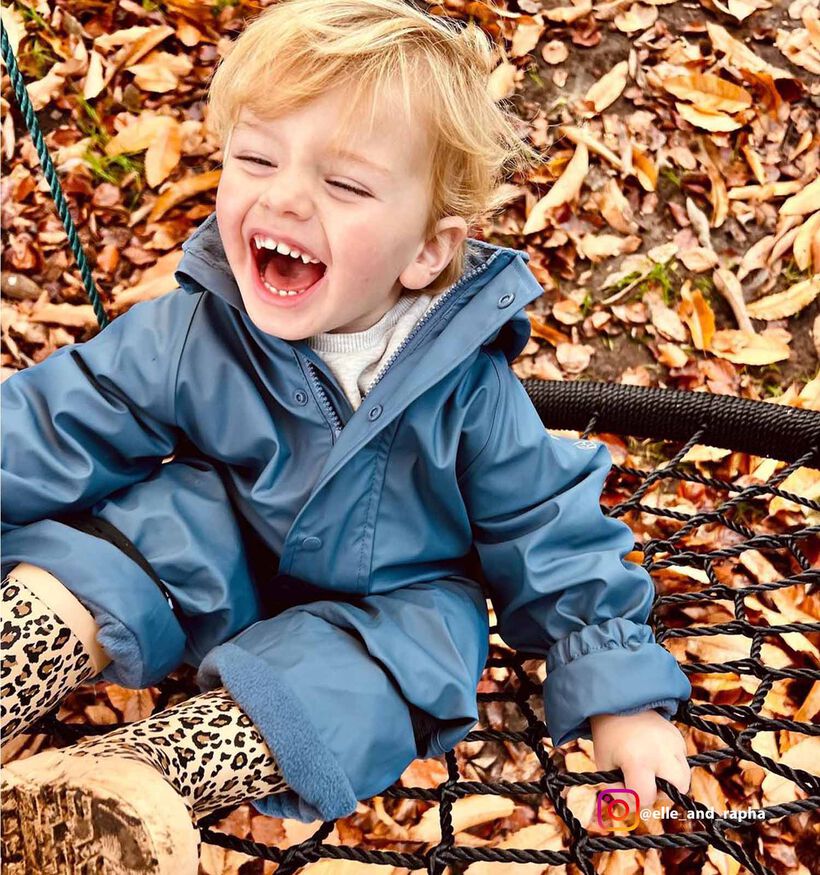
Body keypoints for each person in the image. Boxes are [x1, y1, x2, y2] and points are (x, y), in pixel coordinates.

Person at [1, 0, 692, 871]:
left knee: (383, 677)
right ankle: (19, 645)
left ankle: (128, 785)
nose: (284, 195)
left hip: (395, 600)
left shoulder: (468, 393)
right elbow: (61, 415)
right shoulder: (196, 330)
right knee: (137, 532)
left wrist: (620, 693)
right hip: (224, 550)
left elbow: (546, 533)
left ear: (426, 254)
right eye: (256, 158)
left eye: (346, 184)